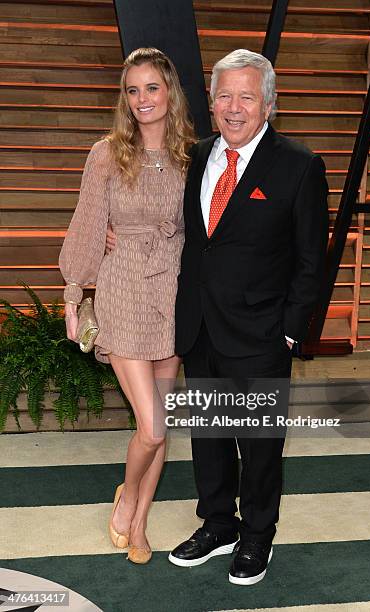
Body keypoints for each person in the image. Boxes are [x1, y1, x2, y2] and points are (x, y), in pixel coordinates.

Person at [106, 48, 329, 584]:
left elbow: (309, 259)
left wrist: (293, 331)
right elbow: (174, 228)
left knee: (258, 443)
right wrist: (121, 238)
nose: (233, 107)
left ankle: (257, 535)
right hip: (200, 325)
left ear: (268, 103)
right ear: (210, 101)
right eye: (224, 95)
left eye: (246, 96)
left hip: (262, 332)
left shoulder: (299, 166)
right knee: (208, 436)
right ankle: (217, 523)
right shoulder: (196, 156)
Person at [59, 47, 195, 564]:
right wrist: (75, 295)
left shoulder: (192, 156)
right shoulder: (106, 153)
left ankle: (138, 519)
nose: (142, 99)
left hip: (172, 294)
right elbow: (88, 225)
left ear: (170, 92)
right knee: (154, 425)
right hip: (123, 292)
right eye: (133, 90)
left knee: (159, 419)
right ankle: (126, 496)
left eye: (152, 88)